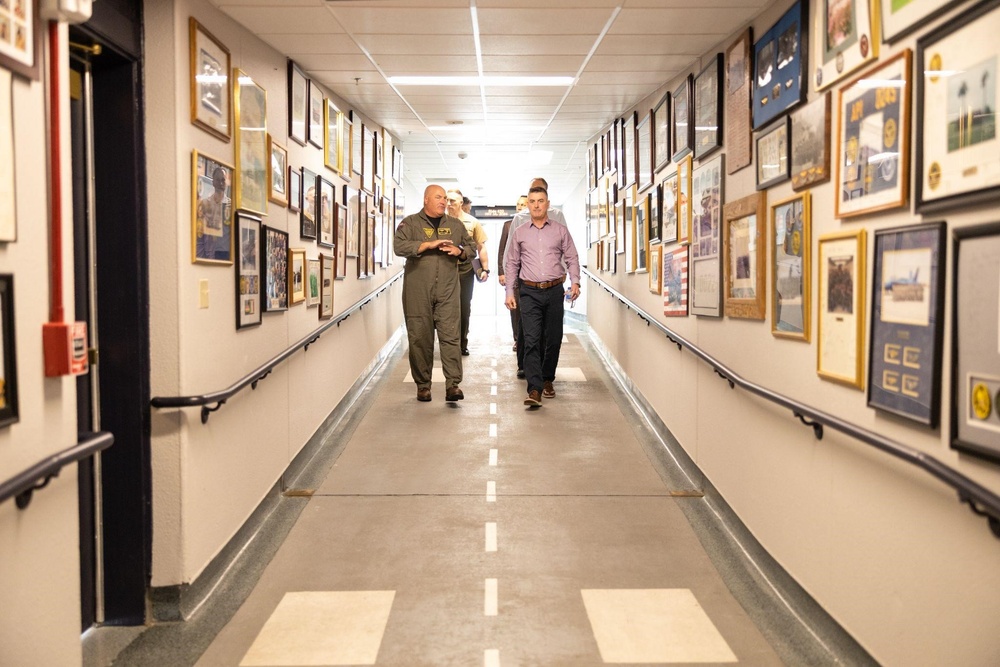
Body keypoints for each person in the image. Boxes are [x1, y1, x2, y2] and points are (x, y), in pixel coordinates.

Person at [394, 185, 477, 402]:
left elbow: (472, 248)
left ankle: (453, 385)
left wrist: (460, 252)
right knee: (420, 337)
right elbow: (399, 246)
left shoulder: (456, 224)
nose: (444, 202)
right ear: (426, 200)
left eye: (446, 199)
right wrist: (427, 245)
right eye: (438, 198)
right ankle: (423, 385)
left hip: (448, 290)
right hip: (417, 291)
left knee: (451, 336)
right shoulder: (410, 223)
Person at [505, 186, 580, 407]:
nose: (536, 205)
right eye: (532, 201)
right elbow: (511, 264)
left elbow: (573, 257)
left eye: (541, 201)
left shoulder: (559, 231)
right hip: (528, 292)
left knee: (554, 338)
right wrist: (509, 291)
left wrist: (575, 281)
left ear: (548, 204)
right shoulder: (520, 233)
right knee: (530, 339)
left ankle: (548, 378)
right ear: (527, 205)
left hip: (555, 290)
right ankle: (534, 388)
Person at [503, 178, 567, 378]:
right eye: (533, 196)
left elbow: (565, 247)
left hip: (551, 280)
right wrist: (511, 286)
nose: (537, 203)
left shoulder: (558, 216)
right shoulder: (519, 219)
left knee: (550, 332)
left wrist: (563, 272)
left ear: (547, 197)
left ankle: (544, 372)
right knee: (527, 328)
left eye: (541, 196)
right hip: (527, 281)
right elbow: (510, 254)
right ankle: (526, 367)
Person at [447, 189, 489, 356]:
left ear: (461, 203)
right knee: (445, 308)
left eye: (453, 201)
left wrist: (485, 269)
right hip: (444, 270)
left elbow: (481, 247)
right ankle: (449, 343)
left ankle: (461, 343)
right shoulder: (439, 221)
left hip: (464, 270)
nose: (449, 204)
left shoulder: (472, 222)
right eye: (447, 200)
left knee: (464, 307)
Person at [497, 194, 529, 363]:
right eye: (518, 204)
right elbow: (502, 249)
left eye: (523, 204)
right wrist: (501, 272)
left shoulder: (534, 225)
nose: (520, 207)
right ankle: (517, 338)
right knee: (515, 306)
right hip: (514, 273)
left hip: (531, 273)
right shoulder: (508, 225)